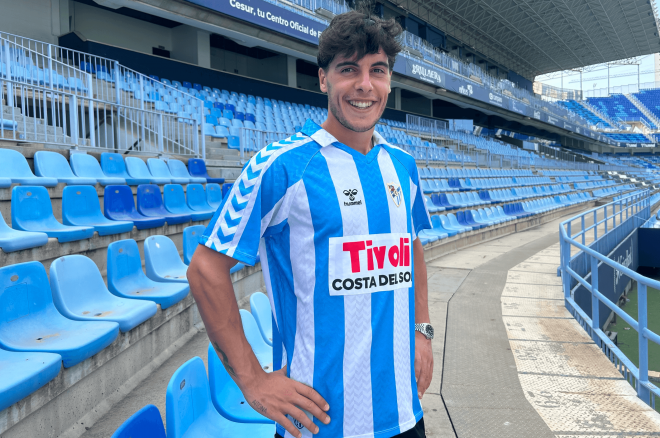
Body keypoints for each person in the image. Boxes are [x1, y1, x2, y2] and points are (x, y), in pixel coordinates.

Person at [188, 10, 434, 438]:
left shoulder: (404, 166)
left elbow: (411, 248)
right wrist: (253, 381)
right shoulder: (281, 166)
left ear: (389, 81)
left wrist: (422, 331)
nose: (364, 85)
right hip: (318, 422)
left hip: (404, 414)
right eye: (348, 70)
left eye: (378, 71)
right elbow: (205, 269)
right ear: (323, 79)